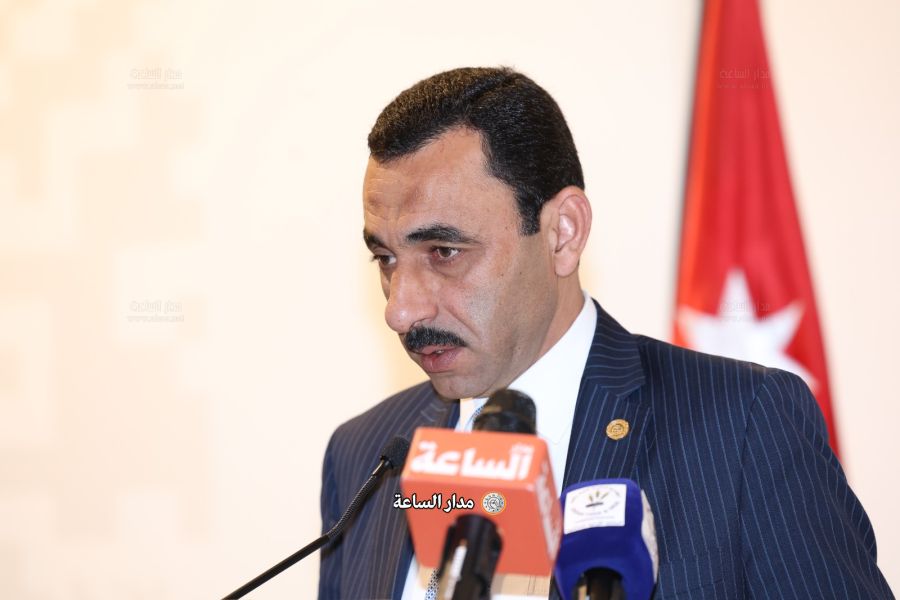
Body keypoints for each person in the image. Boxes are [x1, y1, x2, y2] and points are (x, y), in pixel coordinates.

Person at [318, 67, 893, 599]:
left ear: (563, 233)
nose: (401, 311)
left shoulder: (742, 425)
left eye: (444, 251)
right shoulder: (363, 455)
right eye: (385, 259)